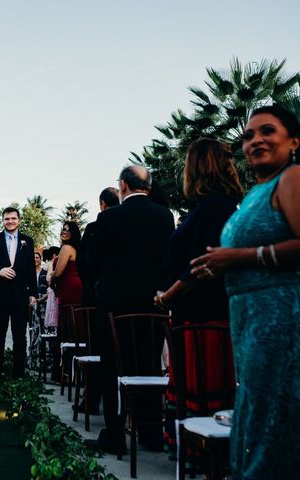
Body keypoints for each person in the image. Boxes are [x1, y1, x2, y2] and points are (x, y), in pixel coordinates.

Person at [191, 105, 300, 479]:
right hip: (249, 316)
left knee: (276, 412)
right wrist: (221, 264)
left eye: (267, 131)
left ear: (294, 141)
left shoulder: (293, 178)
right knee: (255, 409)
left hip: (281, 316)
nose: (256, 140)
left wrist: (240, 255)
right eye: (249, 135)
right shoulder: (256, 192)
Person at [155, 138, 243, 456]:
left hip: (204, 314)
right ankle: (196, 453)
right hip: (192, 313)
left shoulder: (214, 208)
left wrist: (167, 297)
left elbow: (201, 267)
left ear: (198, 166)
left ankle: (207, 457)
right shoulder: (206, 208)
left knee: (206, 385)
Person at [86, 165, 174, 454]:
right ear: (147, 186)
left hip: (115, 306)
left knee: (113, 367)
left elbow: (93, 262)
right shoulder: (164, 216)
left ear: (123, 186)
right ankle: (149, 431)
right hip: (151, 306)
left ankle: (115, 434)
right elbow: (166, 261)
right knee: (147, 365)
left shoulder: (109, 217)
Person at [0, 207, 37, 378]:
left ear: (19, 220)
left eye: (13, 218)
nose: (10, 221)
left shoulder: (27, 240)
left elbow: (30, 269)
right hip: (0, 295)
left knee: (20, 335)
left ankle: (18, 374)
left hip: (20, 296)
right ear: (2, 221)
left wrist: (32, 293)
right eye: (7, 219)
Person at [78, 187, 119, 305]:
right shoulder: (128, 224)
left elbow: (82, 259)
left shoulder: (93, 227)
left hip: (95, 288)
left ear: (103, 204)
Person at [49, 221, 83, 306]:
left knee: (70, 315)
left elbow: (58, 273)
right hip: (72, 285)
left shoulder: (66, 248)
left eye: (69, 230)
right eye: (64, 229)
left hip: (69, 286)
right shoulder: (74, 249)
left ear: (74, 234)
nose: (65, 232)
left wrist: (52, 279)